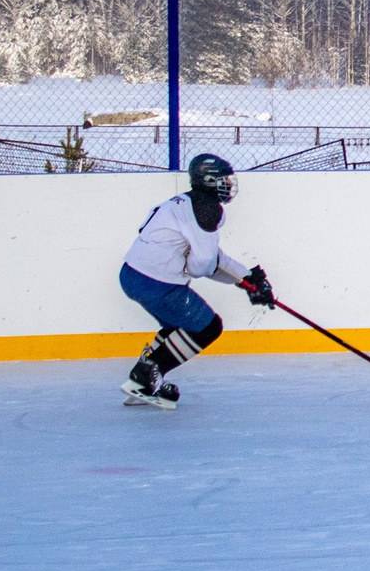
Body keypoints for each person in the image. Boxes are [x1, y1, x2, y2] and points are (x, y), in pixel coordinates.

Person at [117, 153, 274, 408]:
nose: (229, 185)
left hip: (131, 275)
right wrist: (238, 280)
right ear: (210, 180)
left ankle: (145, 379)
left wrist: (245, 278)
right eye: (224, 180)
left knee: (178, 327)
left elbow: (211, 259)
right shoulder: (207, 208)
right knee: (208, 327)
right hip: (157, 282)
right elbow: (203, 265)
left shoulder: (189, 203)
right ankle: (143, 379)